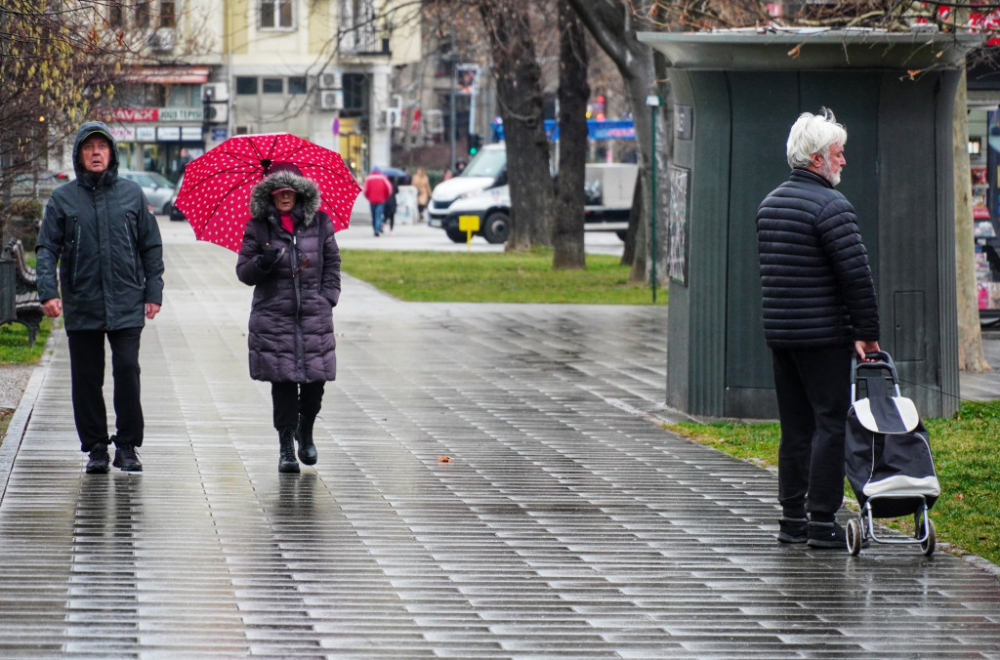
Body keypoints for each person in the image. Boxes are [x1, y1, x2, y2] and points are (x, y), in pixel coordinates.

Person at [755, 108, 881, 549]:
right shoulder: (832, 207)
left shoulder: (770, 204)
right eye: (838, 153)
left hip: (782, 337)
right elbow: (856, 276)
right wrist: (866, 332)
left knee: (795, 428)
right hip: (823, 337)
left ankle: (792, 520)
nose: (843, 161)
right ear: (816, 159)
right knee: (831, 424)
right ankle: (823, 522)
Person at [36, 121, 164, 474]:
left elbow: (150, 246)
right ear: (79, 154)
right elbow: (46, 248)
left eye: (102, 147)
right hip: (82, 301)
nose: (96, 153)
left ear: (112, 154)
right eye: (89, 147)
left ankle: (127, 446)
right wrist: (48, 291)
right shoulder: (63, 199)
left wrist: (153, 292)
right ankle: (95, 447)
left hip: (126, 300)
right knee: (87, 377)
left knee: (127, 370)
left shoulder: (132, 195)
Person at [236, 163, 342, 473]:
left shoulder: (320, 223)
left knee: (316, 381)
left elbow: (333, 263)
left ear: (300, 192)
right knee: (282, 382)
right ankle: (285, 446)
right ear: (270, 192)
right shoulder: (258, 226)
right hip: (274, 317)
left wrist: (327, 298)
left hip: (314, 314)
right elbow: (244, 273)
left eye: (290, 190)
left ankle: (304, 429)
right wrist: (263, 262)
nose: (285, 196)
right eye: (279, 190)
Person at [362, 167, 393, 236]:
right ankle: (377, 230)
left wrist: (368, 197)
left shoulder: (368, 178)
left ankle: (374, 229)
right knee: (378, 215)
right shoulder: (383, 178)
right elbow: (389, 189)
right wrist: (385, 197)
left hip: (372, 200)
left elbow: (365, 190)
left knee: (373, 216)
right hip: (381, 200)